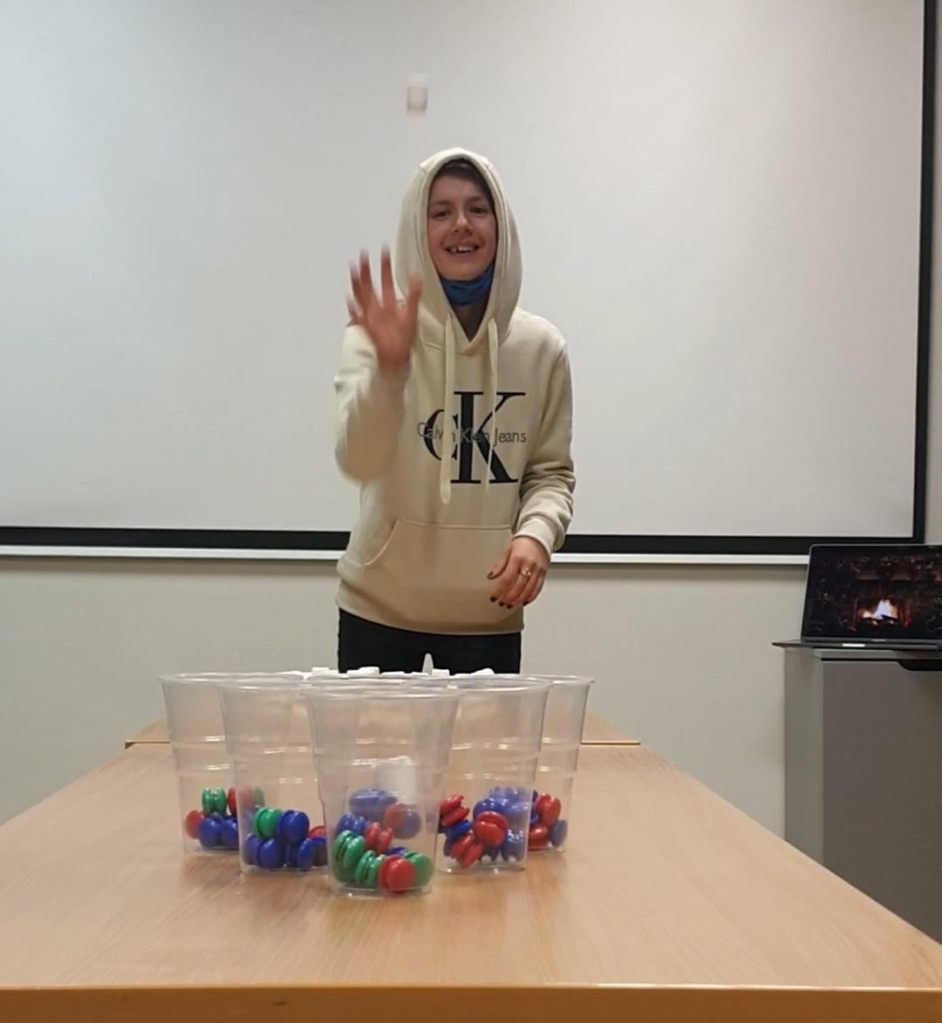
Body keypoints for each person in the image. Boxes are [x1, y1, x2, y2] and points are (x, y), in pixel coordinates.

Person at [333, 147, 574, 673]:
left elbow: (551, 474)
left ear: (500, 224)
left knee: (489, 761)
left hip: (489, 614)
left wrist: (536, 535)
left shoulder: (541, 348)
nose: (460, 225)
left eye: (476, 209)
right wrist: (391, 369)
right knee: (372, 758)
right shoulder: (377, 335)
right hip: (379, 610)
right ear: (418, 230)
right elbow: (358, 458)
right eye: (440, 212)